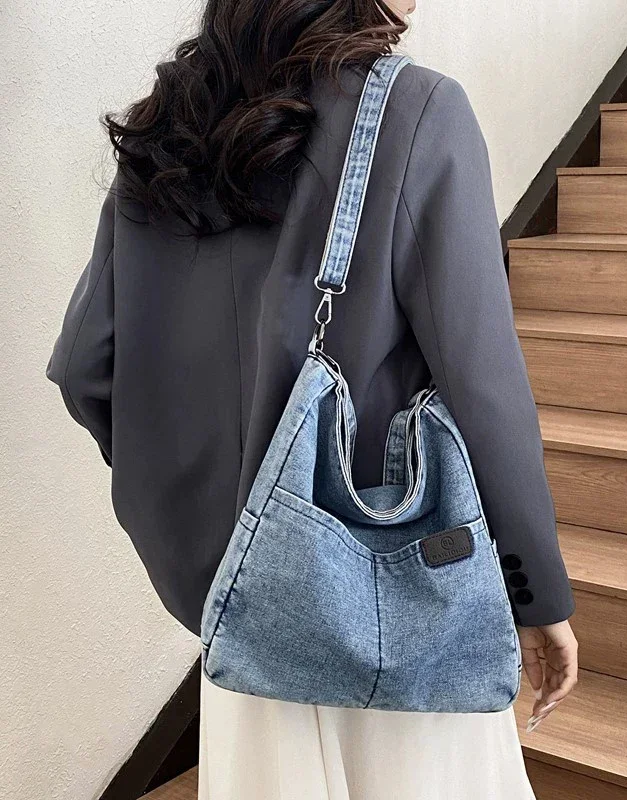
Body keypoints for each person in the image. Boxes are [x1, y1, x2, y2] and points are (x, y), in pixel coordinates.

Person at [47, 0, 578, 797]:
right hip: (394, 610)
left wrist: (200, 514)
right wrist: (536, 591)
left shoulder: (165, 126)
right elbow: (484, 385)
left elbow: (86, 367)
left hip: (242, 621)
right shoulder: (416, 109)